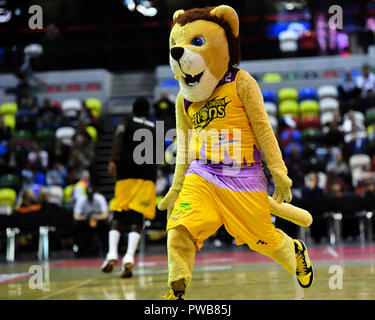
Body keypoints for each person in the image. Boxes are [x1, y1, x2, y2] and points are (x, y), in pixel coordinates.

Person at [101, 97, 156, 278]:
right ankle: (129, 258)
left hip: (126, 172)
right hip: (147, 175)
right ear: (148, 111)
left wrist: (111, 159)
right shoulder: (155, 126)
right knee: (137, 217)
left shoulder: (127, 119)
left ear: (133, 109)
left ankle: (111, 254)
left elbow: (119, 133)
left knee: (119, 212)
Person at [73, 186, 109, 257]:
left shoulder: (100, 198)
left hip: (98, 221)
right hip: (85, 221)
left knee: (105, 227)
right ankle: (80, 251)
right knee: (78, 228)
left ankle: (106, 250)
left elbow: (105, 215)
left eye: (91, 196)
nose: (90, 198)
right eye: (89, 196)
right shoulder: (81, 200)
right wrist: (87, 218)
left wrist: (95, 217)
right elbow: (76, 216)